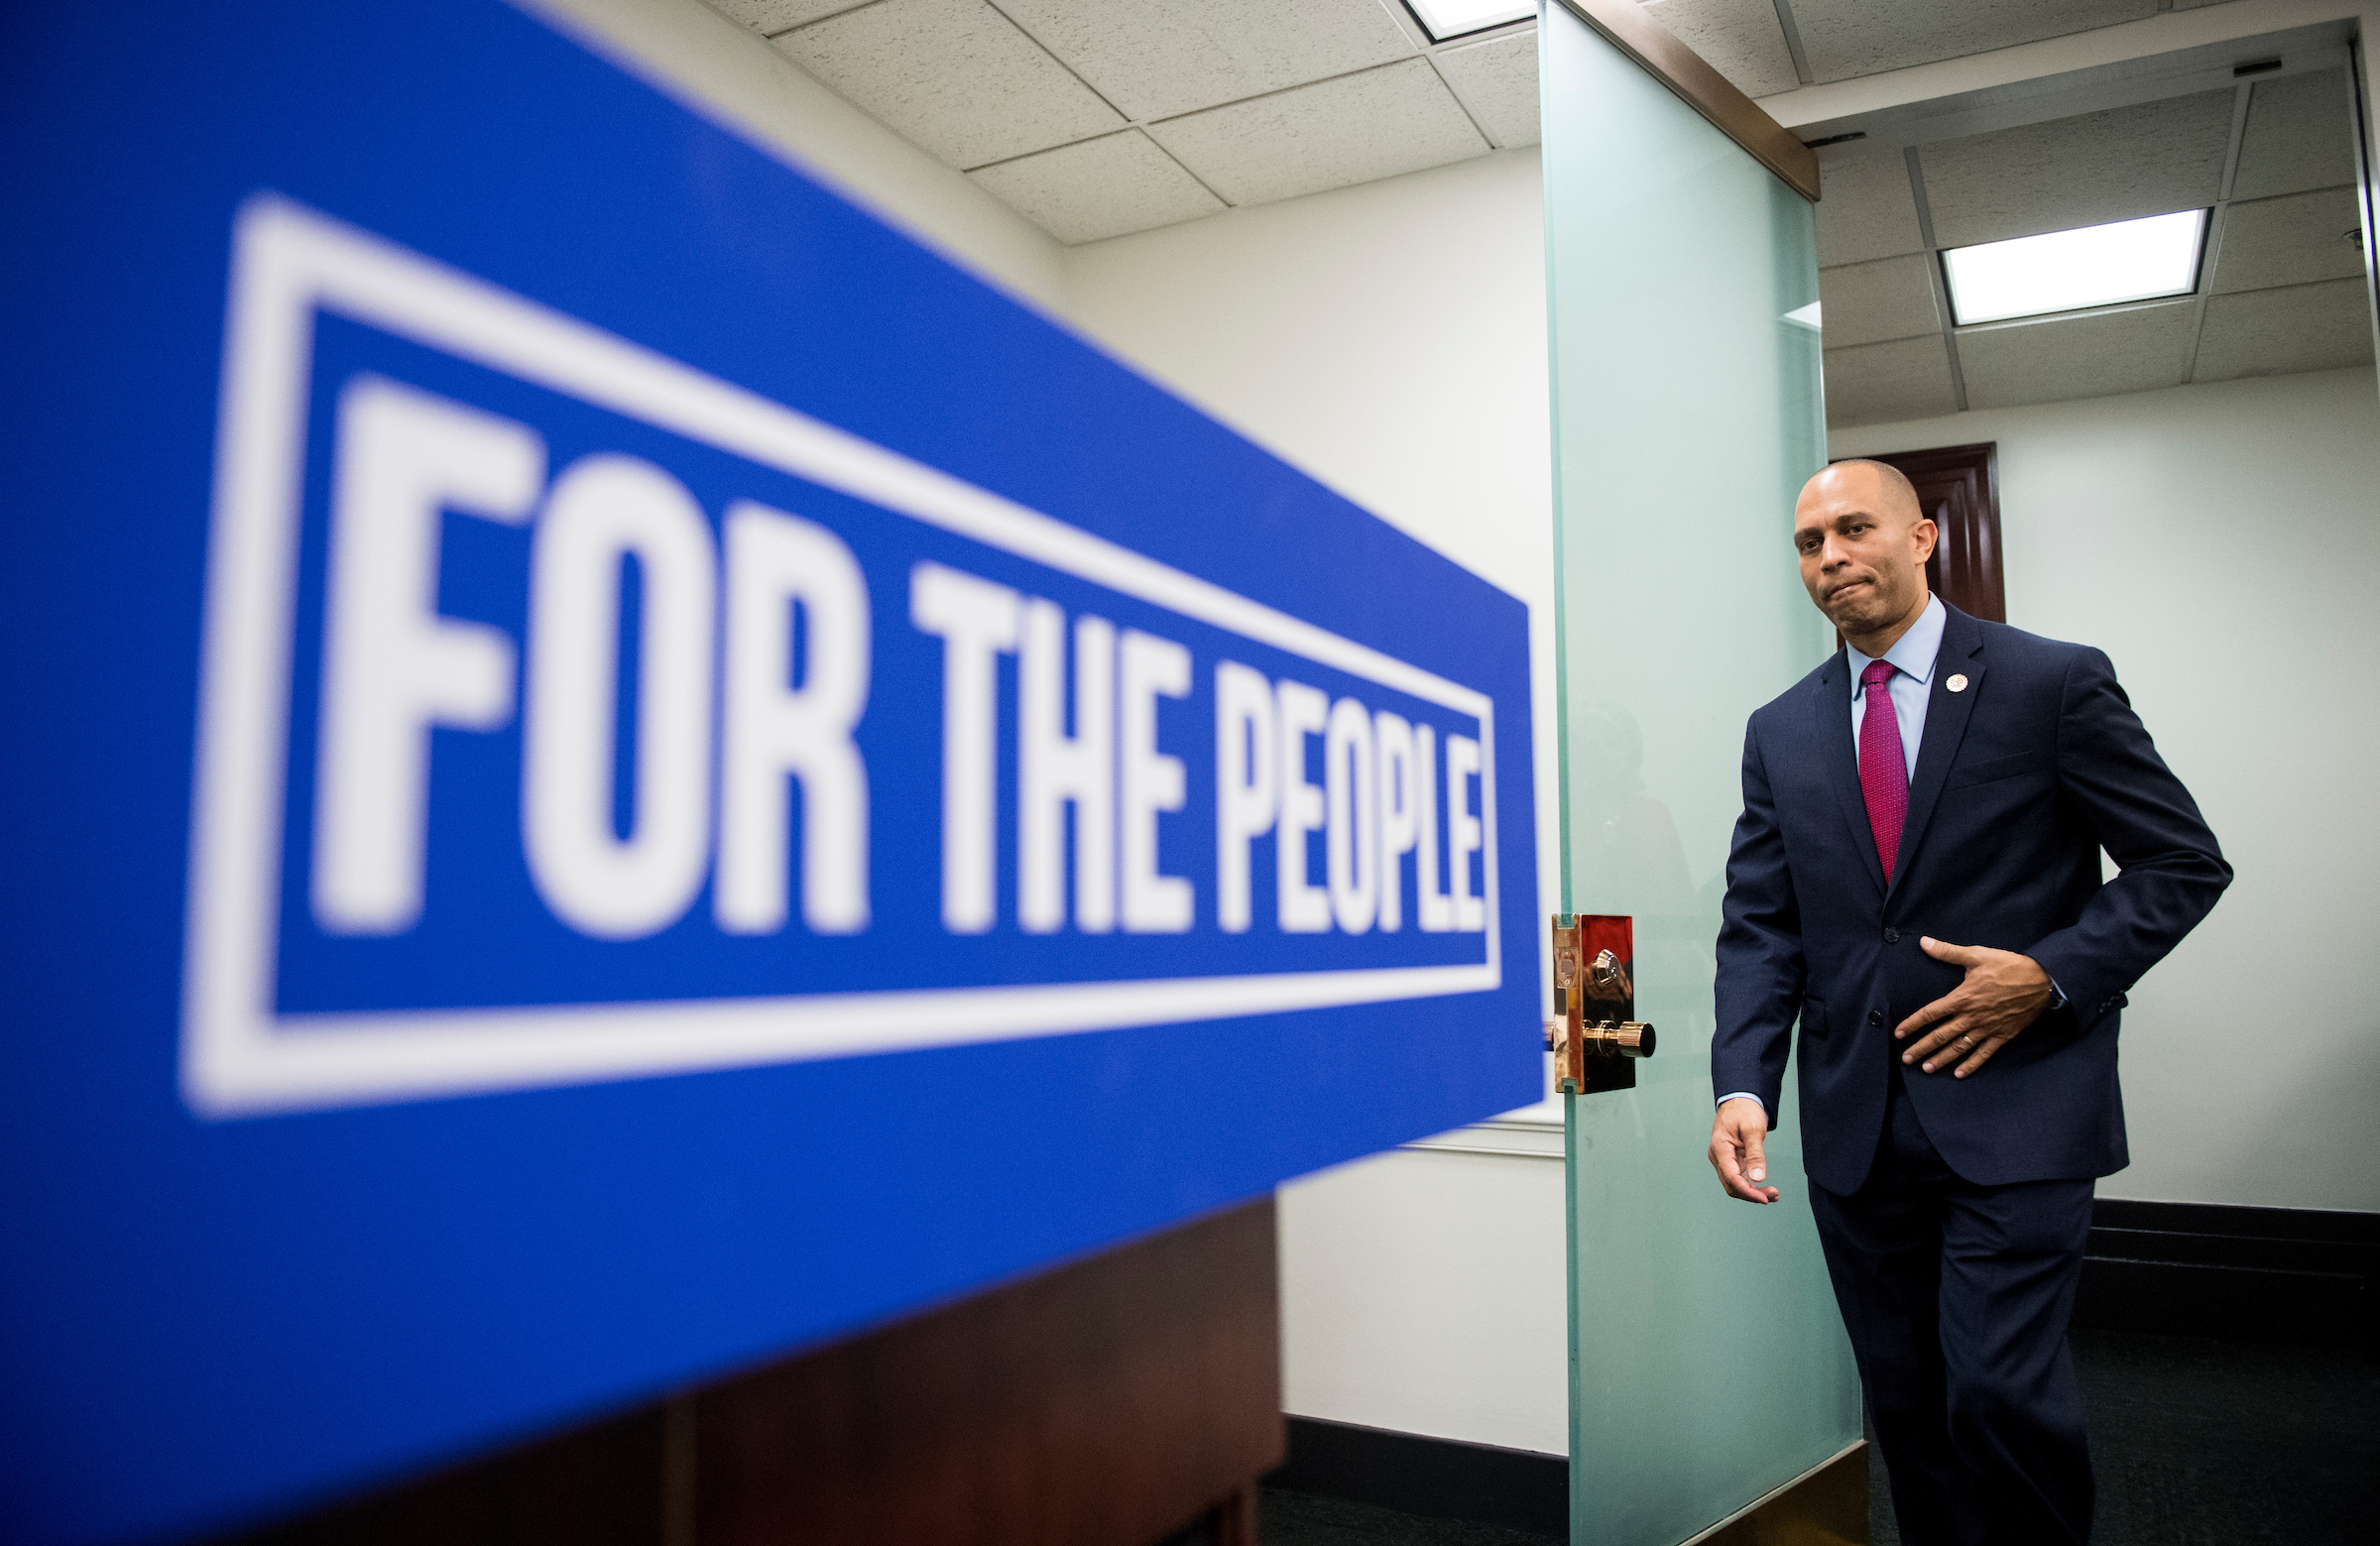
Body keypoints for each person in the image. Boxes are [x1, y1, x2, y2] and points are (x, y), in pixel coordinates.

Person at [1706, 460, 2229, 1546]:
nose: (1831, 556)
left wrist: (2050, 974)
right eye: (1809, 543)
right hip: (1858, 1127)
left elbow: (2181, 864)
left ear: (1923, 536)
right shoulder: (1782, 729)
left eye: (1854, 528)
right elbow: (1763, 923)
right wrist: (1743, 1080)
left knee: (1998, 1394)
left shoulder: (2051, 681)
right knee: (1909, 1408)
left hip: (2020, 1109)